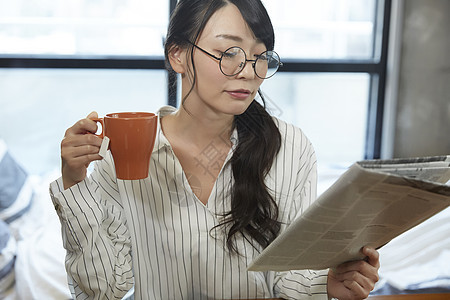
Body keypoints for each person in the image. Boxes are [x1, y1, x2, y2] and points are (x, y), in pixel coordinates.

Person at [50, 0, 380, 299]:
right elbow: (103, 289)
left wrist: (328, 284)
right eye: (229, 53)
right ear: (177, 55)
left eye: (260, 56)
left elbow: (291, 279)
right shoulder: (124, 152)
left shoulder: (290, 148)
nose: (249, 72)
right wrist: (75, 181)